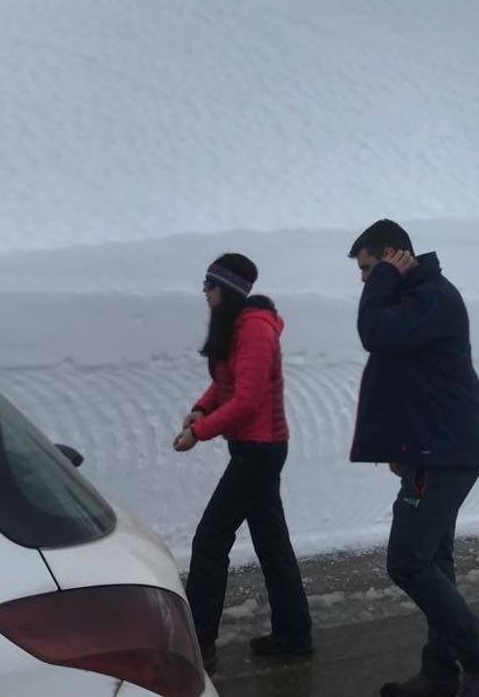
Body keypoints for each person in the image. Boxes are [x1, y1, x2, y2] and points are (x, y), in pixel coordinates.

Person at [348, 221, 479, 697]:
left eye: (367, 268)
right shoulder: (417, 299)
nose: (364, 279)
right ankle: (441, 674)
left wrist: (382, 280)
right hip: (435, 448)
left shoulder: (432, 298)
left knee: (408, 562)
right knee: (434, 563)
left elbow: (374, 334)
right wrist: (402, 446)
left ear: (391, 258)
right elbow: (408, 377)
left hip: (446, 451)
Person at [173, 252, 313, 672]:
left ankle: (200, 645)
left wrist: (198, 432)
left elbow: (248, 400)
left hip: (261, 450)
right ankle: (294, 635)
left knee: (211, 538)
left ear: (228, 290)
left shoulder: (254, 330)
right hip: (253, 448)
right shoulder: (238, 328)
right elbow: (226, 385)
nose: (205, 292)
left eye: (210, 285)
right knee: (272, 543)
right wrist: (200, 408)